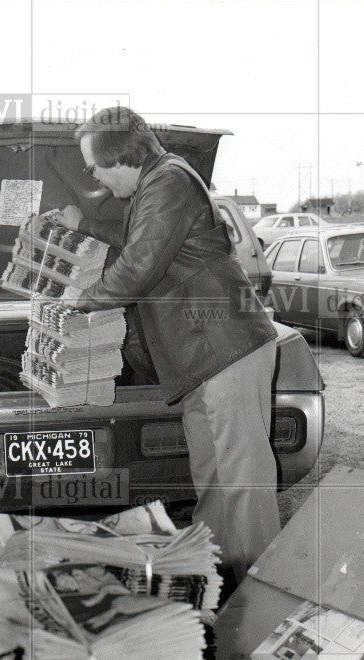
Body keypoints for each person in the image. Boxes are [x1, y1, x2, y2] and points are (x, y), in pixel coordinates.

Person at [51, 106, 281, 588]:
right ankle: (221, 581)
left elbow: (137, 266)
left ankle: (263, 598)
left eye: (92, 168)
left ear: (119, 158)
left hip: (225, 350)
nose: (92, 177)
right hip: (204, 356)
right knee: (214, 479)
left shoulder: (169, 181)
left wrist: (76, 304)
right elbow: (140, 238)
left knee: (242, 485)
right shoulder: (157, 184)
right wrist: (82, 224)